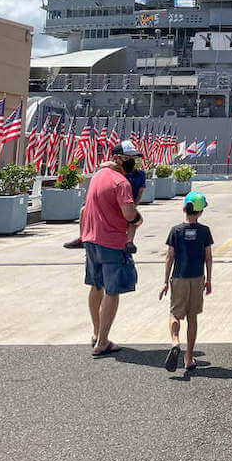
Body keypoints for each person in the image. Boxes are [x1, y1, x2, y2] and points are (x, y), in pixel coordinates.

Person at [81, 140, 142, 356]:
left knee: (95, 286)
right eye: (129, 158)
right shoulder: (121, 182)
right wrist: (138, 219)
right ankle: (103, 342)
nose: (132, 162)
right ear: (117, 158)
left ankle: (97, 333)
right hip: (112, 242)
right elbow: (129, 214)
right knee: (112, 291)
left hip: (91, 239)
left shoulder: (98, 176)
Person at [160, 191, 213, 373]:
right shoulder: (204, 231)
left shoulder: (176, 231)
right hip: (197, 278)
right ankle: (189, 358)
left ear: (184, 208)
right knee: (192, 318)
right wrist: (209, 279)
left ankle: (175, 341)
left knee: (175, 314)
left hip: (179, 278)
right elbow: (208, 257)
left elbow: (169, 257)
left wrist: (165, 281)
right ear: (200, 212)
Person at [64, 157, 146, 252]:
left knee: (131, 218)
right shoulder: (117, 172)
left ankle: (129, 242)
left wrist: (134, 205)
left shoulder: (139, 175)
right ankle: (82, 237)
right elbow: (106, 166)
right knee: (84, 210)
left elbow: (140, 192)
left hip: (128, 201)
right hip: (115, 199)